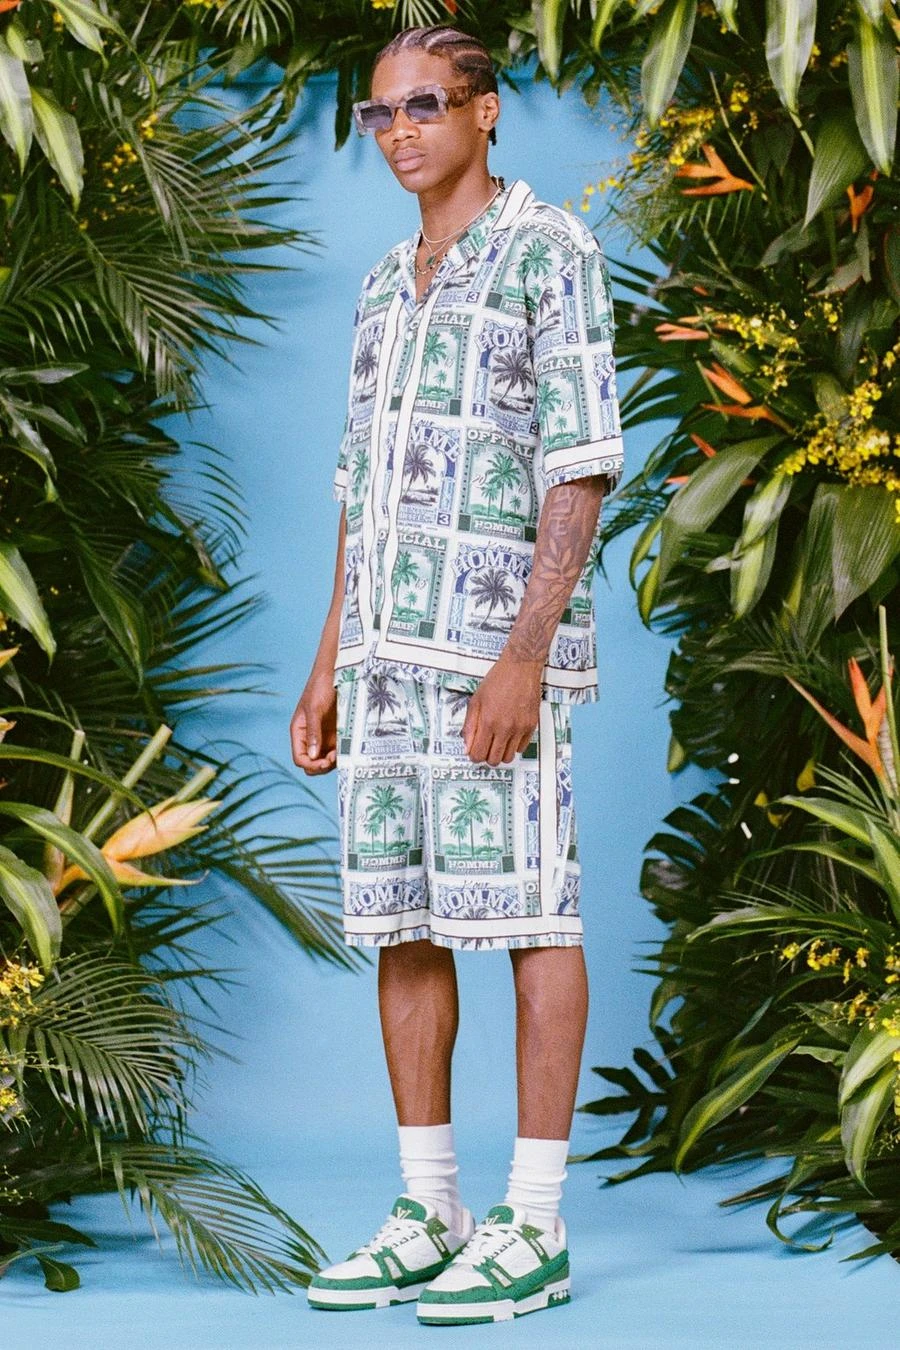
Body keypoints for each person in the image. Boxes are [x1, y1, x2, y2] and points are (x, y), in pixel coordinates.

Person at [290, 23, 624, 1327]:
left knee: (535, 912)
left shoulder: (552, 253)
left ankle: (534, 1223)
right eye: (381, 114)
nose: (400, 134)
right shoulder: (383, 285)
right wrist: (328, 661)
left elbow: (580, 466)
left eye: (424, 105)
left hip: (492, 663)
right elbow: (358, 486)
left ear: (486, 111)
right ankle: (432, 1207)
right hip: (382, 666)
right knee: (404, 921)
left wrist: (524, 658)